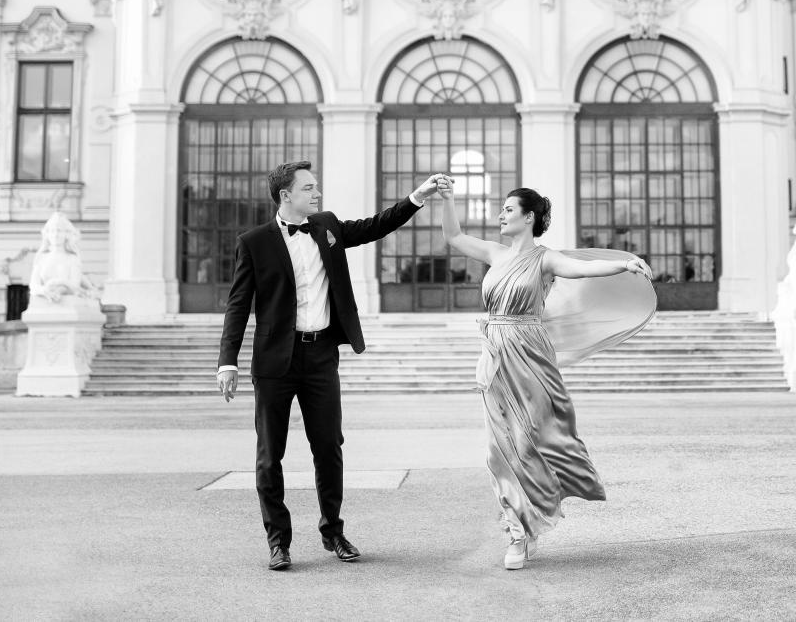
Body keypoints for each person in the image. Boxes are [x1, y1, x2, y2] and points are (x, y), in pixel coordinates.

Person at [217, 161, 449, 572]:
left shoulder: (327, 226)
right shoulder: (253, 243)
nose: (317, 193)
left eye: (316, 187)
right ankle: (278, 541)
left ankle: (333, 531)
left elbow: (376, 226)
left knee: (328, 448)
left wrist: (418, 196)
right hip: (274, 361)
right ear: (286, 195)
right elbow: (238, 305)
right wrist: (227, 361)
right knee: (270, 455)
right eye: (309, 188)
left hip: (321, 355)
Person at [438, 184, 655, 570]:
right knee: (498, 448)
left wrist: (624, 264)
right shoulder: (494, 253)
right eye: (502, 209)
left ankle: (532, 519)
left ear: (529, 217)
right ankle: (517, 532)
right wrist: (448, 200)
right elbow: (454, 236)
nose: (501, 215)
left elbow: (584, 269)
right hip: (495, 356)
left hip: (532, 356)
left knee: (527, 444)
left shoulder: (546, 259)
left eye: (508, 209)